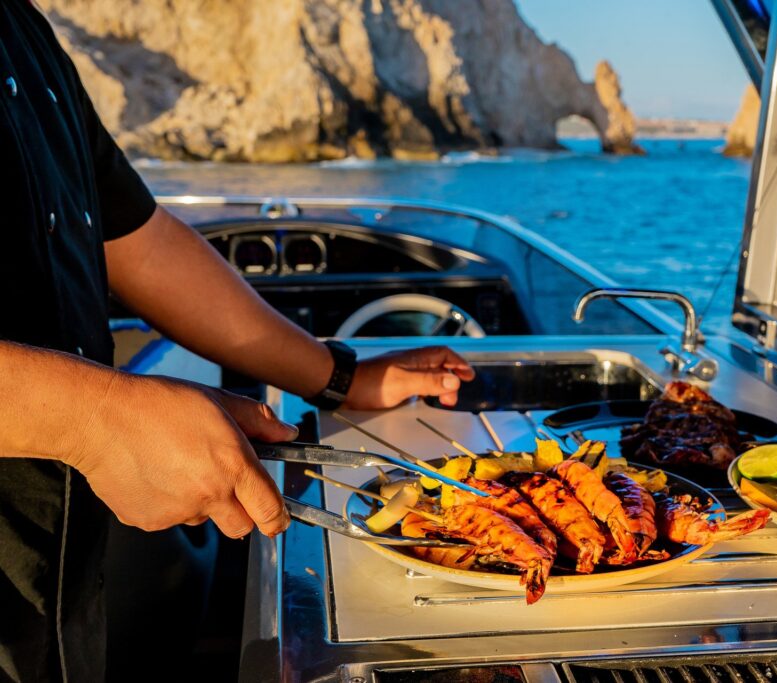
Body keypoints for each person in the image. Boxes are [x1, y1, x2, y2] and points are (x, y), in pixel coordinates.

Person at [0, 3, 475, 681]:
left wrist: (338, 377)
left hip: (62, 584)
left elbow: (139, 240)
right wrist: (96, 418)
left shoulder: (26, 33)